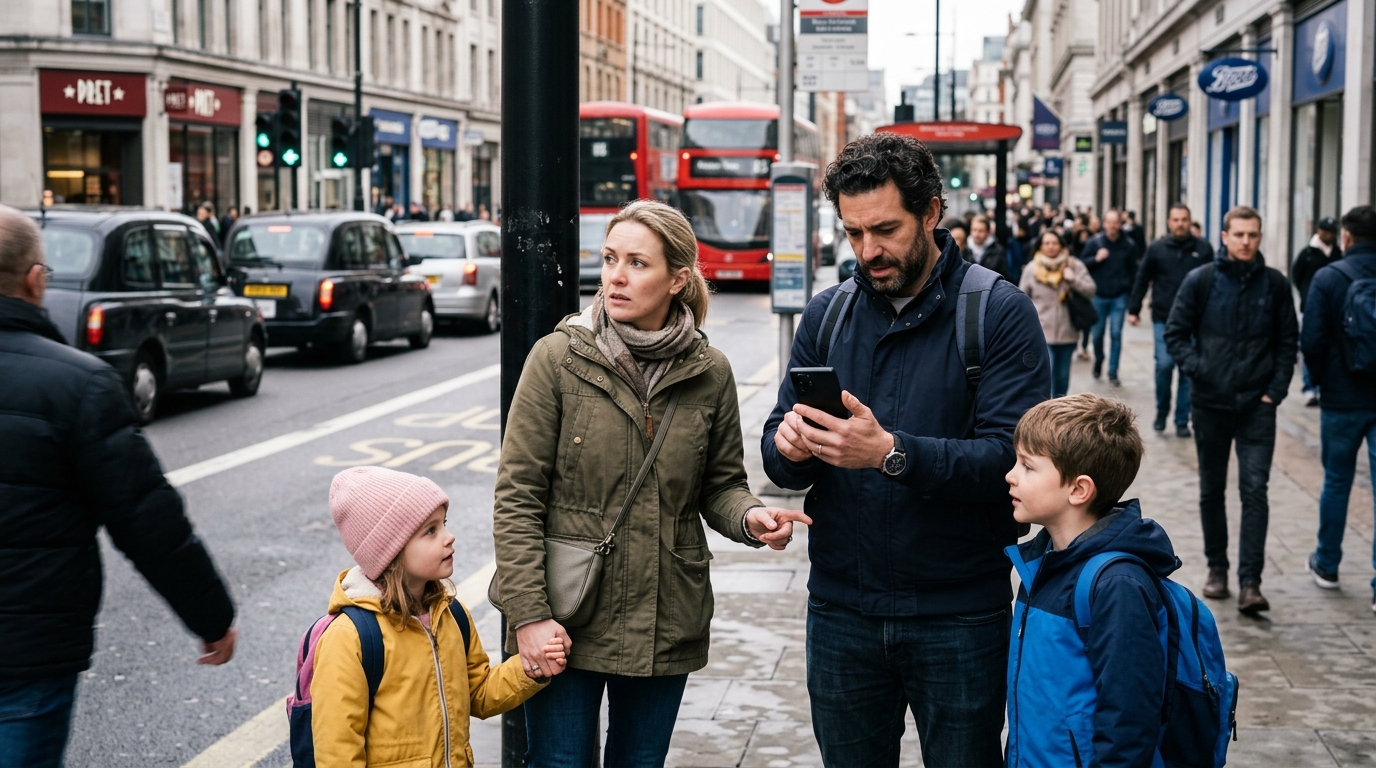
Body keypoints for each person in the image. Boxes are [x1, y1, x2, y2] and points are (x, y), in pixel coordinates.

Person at [763, 133, 1049, 767]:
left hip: (959, 614)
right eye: (854, 232)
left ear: (931, 213)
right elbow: (778, 450)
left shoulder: (998, 313)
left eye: (886, 229)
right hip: (841, 608)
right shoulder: (827, 315)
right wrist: (790, 446)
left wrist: (891, 453)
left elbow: (1014, 460)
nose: (869, 251)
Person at [492, 199, 809, 768]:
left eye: (638, 263)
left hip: (664, 617)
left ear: (678, 279)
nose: (615, 275)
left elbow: (720, 484)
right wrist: (529, 617)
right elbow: (517, 498)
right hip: (567, 615)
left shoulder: (708, 372)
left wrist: (751, 518)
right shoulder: (558, 359)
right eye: (611, 258)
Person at [0, 206, 237, 767]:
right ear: (36, 280)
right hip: (27, 654)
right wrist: (210, 615)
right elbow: (147, 520)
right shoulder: (77, 385)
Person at [312, 467, 553, 766]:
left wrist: (532, 666)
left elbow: (477, 693)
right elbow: (337, 753)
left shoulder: (451, 615)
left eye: (444, 524)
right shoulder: (350, 638)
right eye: (430, 530)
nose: (449, 537)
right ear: (390, 550)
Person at [1003, 393, 1170, 768]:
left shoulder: (1117, 585)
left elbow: (1129, 718)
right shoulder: (1043, 563)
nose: (1011, 475)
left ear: (1079, 489)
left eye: (1028, 467)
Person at [1165, 205, 1297, 614]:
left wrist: (1275, 391)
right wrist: (1199, 371)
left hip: (1258, 405)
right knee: (1212, 489)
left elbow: (1288, 342)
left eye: (1252, 235)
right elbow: (1176, 332)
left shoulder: (1275, 284)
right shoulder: (1201, 280)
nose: (1245, 241)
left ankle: (1250, 582)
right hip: (1211, 403)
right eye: (1238, 234)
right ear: (1224, 236)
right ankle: (1217, 568)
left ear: (1260, 238)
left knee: (1254, 490)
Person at [1301, 205, 1376, 608]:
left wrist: (1322, 379)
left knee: (1337, 481)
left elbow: (1311, 339)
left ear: (1346, 237)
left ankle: (1327, 564)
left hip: (1342, 398)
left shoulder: (1329, 277)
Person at [1128, 203, 1215, 436]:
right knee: (1164, 366)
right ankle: (1162, 410)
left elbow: (1214, 282)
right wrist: (1134, 308)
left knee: (1188, 371)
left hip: (1196, 322)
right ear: (1168, 222)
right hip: (1164, 318)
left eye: (1184, 219)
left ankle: (1181, 420)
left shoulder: (1204, 249)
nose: (1180, 224)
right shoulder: (1157, 248)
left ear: (1190, 221)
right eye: (1175, 219)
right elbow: (1142, 277)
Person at [1021, 230, 1097, 398]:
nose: (1050, 247)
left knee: (1062, 378)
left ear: (1061, 245)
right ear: (1040, 246)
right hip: (1041, 332)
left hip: (1067, 331)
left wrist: (1073, 280)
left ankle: (1059, 413)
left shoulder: (1074, 265)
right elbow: (1021, 298)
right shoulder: (1032, 269)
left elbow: (1091, 290)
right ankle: (1044, 413)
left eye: (1054, 243)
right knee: (1046, 375)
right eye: (1046, 243)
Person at [1079, 210, 1140, 386]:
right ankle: (1099, 360)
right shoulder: (1095, 242)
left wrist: (1131, 295)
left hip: (1119, 297)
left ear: (1120, 224)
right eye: (1109, 222)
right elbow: (1081, 265)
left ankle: (1113, 371)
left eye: (1116, 223)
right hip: (1098, 296)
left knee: (1116, 334)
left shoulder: (1129, 245)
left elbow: (1134, 272)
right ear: (1104, 224)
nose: (1112, 226)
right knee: (1097, 335)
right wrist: (1096, 259)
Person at [1292, 217, 1342, 406]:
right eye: (1326, 231)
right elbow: (1297, 276)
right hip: (1311, 308)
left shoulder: (1336, 253)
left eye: (1332, 232)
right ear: (1319, 231)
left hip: (1334, 309)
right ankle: (1310, 387)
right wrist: (1307, 295)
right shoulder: (1307, 254)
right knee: (1310, 345)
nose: (1329, 235)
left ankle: (1322, 386)